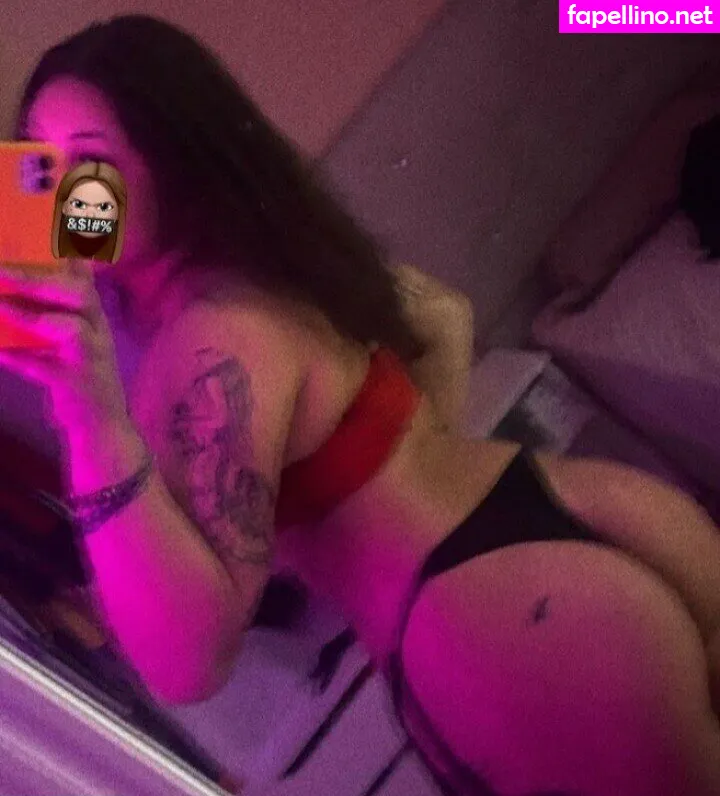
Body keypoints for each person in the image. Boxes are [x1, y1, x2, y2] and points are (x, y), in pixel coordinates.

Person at [2, 15, 720, 795]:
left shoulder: (206, 341)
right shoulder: (277, 262)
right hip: (568, 511)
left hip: (500, 624)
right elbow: (441, 317)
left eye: (93, 164)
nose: (67, 193)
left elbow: (186, 664)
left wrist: (87, 412)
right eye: (41, 162)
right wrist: (387, 483)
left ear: (174, 161)